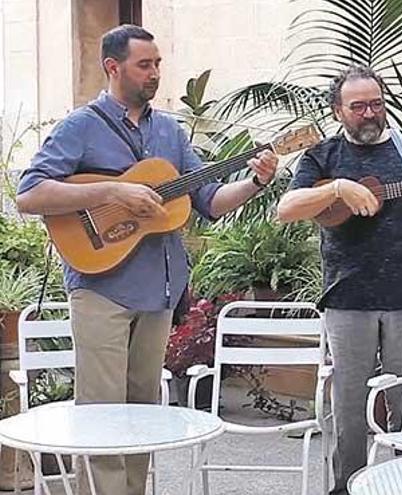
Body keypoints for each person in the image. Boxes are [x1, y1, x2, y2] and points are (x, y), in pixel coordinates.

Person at [15, 25, 278, 495]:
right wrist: (113, 190)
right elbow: (30, 193)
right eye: (144, 64)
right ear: (113, 67)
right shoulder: (82, 126)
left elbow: (209, 200)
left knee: (141, 414)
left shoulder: (169, 130)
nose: (155, 72)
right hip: (101, 288)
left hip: (158, 290)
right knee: (100, 412)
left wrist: (255, 182)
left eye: (157, 63)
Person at [276, 64, 402, 494]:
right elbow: (287, 207)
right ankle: (347, 486)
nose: (370, 113)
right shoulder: (323, 155)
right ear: (338, 111)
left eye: (377, 104)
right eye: (358, 106)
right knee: (349, 402)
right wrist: (337, 188)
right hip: (346, 294)